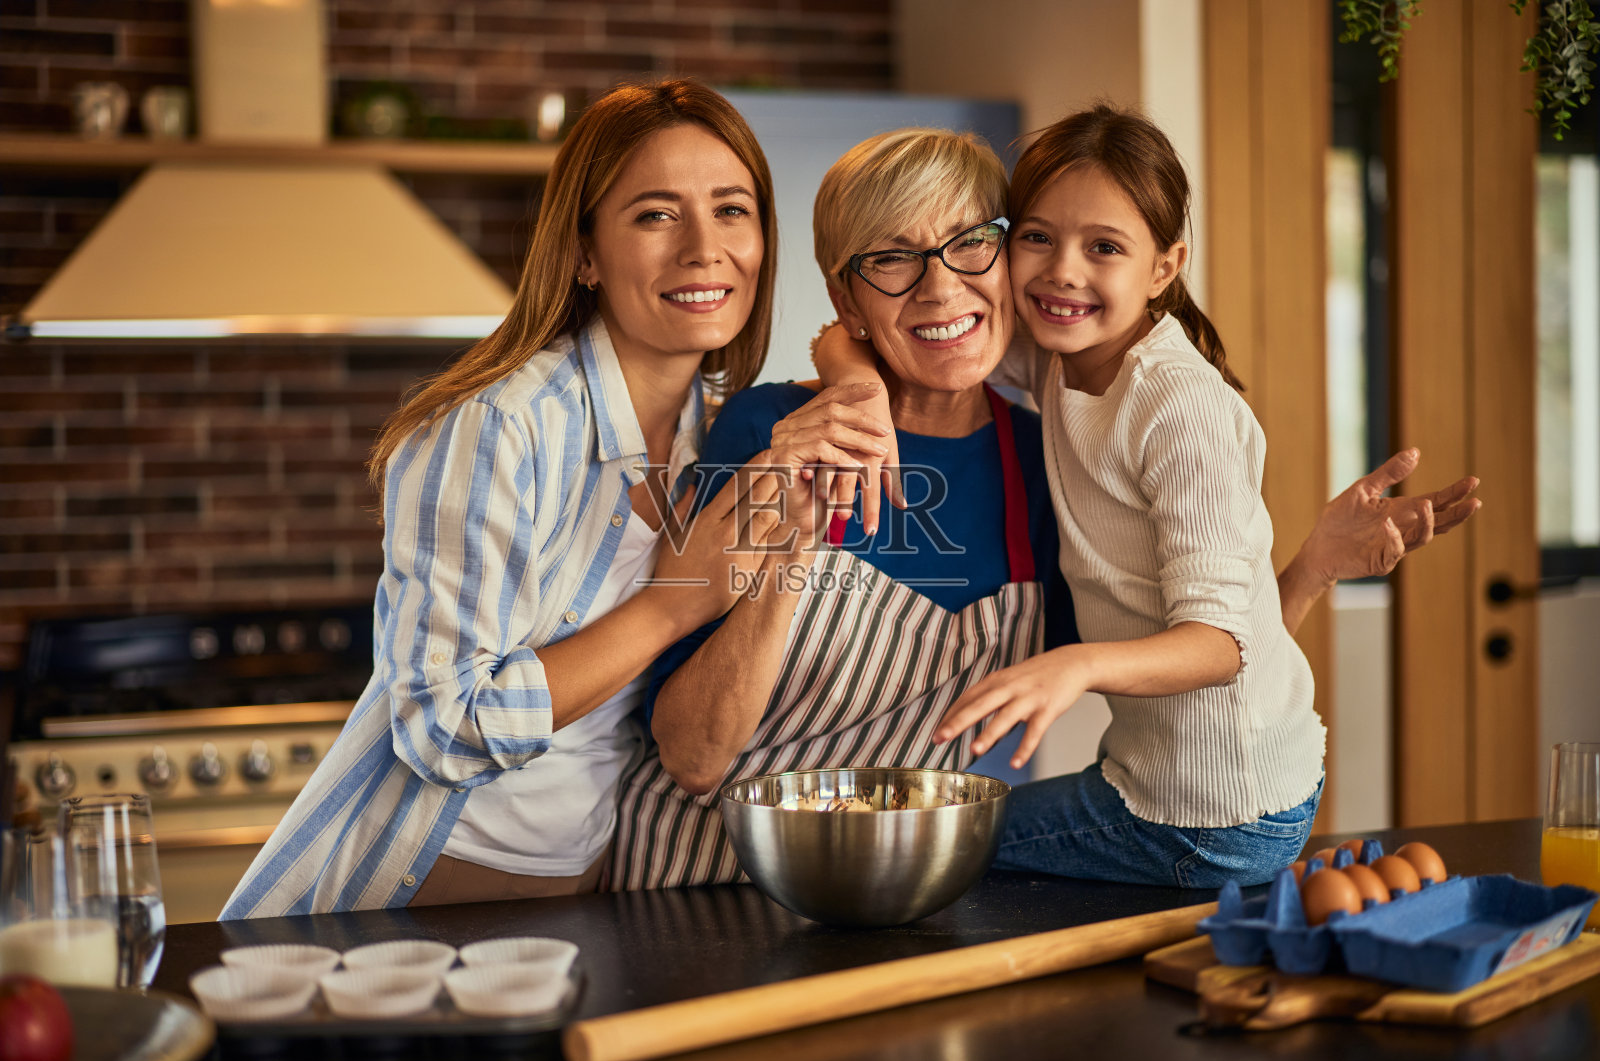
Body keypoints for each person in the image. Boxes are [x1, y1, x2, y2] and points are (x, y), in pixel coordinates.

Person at [612, 127, 1478, 890]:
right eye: (891, 258)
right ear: (848, 299)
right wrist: (801, 515)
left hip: (889, 894)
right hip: (699, 883)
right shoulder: (767, 428)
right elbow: (691, 758)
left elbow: (1201, 659)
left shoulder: (1044, 458)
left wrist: (1309, 568)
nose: (941, 288)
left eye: (969, 246)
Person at [220, 80, 851, 918]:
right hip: (422, 894)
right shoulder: (496, 428)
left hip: (587, 891)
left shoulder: (720, 434)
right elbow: (447, 724)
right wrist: (675, 605)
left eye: (732, 210)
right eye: (655, 214)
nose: (705, 248)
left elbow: (907, 340)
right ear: (584, 252)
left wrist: (856, 375)